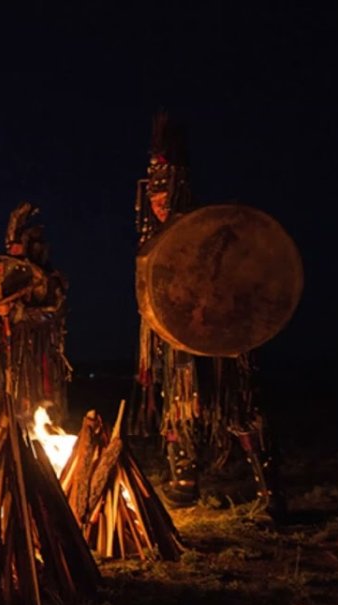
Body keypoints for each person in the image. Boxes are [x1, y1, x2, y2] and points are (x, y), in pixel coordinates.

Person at [130, 110, 286, 520]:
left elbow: (235, 277)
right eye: (153, 199)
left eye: (165, 198)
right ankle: (184, 484)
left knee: (239, 407)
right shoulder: (151, 238)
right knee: (179, 408)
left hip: (219, 335)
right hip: (172, 341)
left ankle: (270, 493)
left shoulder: (206, 231)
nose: (158, 205)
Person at [0, 202, 72, 434]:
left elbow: (52, 313)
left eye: (16, 244)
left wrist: (16, 312)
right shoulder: (7, 279)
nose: (11, 249)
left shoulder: (49, 280)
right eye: (9, 245)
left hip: (39, 355)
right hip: (11, 353)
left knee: (38, 412)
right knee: (0, 410)